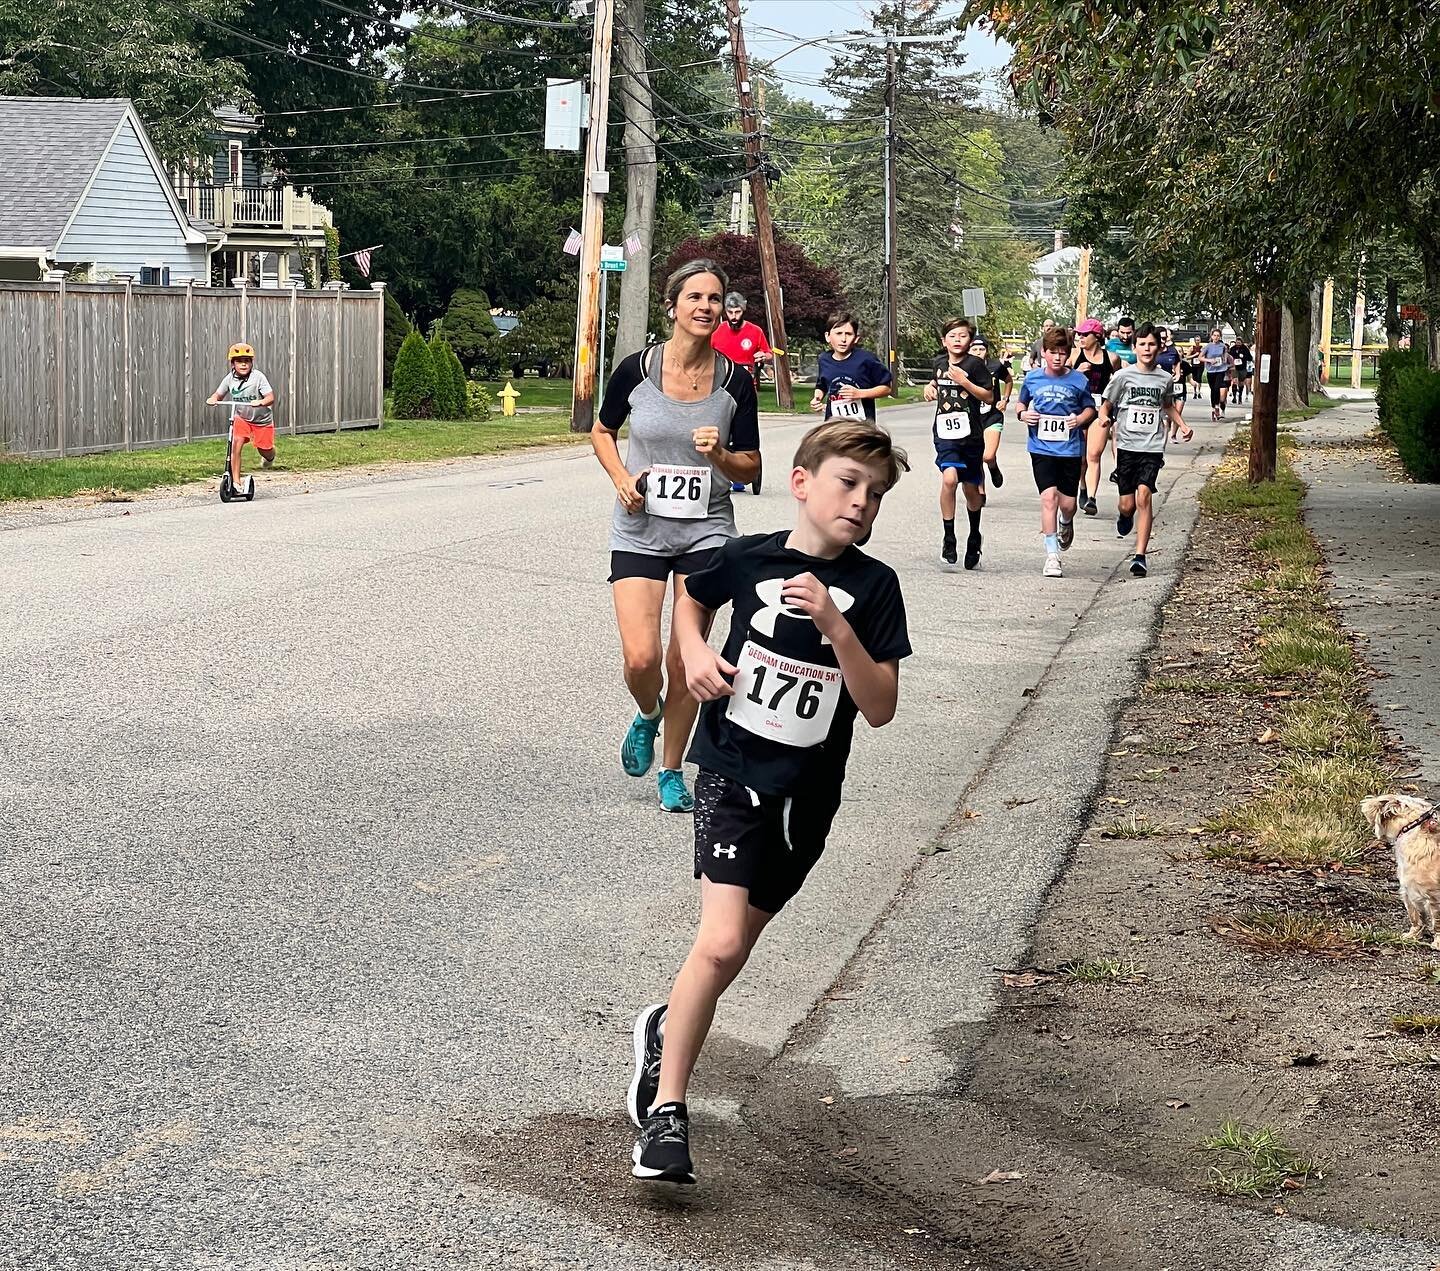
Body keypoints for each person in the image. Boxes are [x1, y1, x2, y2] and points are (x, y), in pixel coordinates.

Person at [627, 420, 911, 1185]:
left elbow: (879, 706)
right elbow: (691, 598)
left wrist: (834, 622)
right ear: (803, 482)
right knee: (717, 943)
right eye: (848, 483)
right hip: (728, 770)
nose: (861, 502)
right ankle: (667, 1114)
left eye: (875, 494)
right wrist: (691, 648)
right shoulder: (750, 556)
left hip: (806, 799)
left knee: (729, 954)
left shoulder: (875, 588)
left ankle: (664, 1025)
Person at [592, 259, 761, 814]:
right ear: (673, 306)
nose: (706, 307)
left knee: (686, 657)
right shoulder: (636, 369)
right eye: (695, 297)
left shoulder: (736, 381)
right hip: (641, 525)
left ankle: (671, 769)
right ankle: (647, 714)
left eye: (715, 299)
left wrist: (720, 455)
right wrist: (621, 479)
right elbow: (602, 431)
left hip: (707, 530)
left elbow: (751, 468)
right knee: (641, 658)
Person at [1098, 322, 1194, 578]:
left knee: (1144, 496)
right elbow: (1106, 405)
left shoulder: (1164, 378)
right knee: (1128, 505)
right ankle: (1124, 515)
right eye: (1142, 344)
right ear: (1136, 347)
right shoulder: (1123, 376)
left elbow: (1168, 406)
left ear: (1159, 346)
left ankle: (1140, 556)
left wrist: (1183, 425)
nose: (1147, 349)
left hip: (1152, 447)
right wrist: (1104, 419)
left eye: (1152, 344)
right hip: (1127, 445)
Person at [1018, 326, 1096, 579]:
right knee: (1048, 498)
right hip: (1041, 447)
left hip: (1069, 449)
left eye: (1063, 353)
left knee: (1068, 504)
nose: (1057, 357)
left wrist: (1079, 420)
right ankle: (1052, 556)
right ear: (1044, 352)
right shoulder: (1032, 379)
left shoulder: (1078, 380)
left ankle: (1066, 521)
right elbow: (1021, 403)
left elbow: (1090, 409)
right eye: (1052, 352)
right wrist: (1023, 414)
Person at [923, 318, 994, 570]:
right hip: (944, 433)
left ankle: (974, 535)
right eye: (952, 336)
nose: (957, 340)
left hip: (971, 436)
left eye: (962, 336)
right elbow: (936, 381)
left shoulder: (975, 365)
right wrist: (929, 389)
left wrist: (965, 382)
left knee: (971, 491)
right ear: (944, 341)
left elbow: (989, 395)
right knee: (949, 479)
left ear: (969, 340)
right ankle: (949, 537)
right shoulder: (939, 363)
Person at [710, 292, 773, 492]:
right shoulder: (716, 332)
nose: (734, 316)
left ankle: (742, 472)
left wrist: (764, 355)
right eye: (730, 312)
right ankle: (723, 470)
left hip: (747, 386)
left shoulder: (755, 332)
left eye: (738, 311)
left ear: (743, 309)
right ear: (725, 312)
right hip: (720, 386)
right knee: (721, 429)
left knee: (743, 430)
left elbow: (769, 353)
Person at [206, 342, 277, 488]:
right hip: (241, 417)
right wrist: (213, 399)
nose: (243, 365)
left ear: (251, 363)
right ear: (233, 364)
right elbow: (218, 394)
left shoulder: (258, 377)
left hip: (261, 420)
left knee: (265, 450)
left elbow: (270, 397)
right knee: (236, 444)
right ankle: (236, 482)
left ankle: (270, 456)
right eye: (239, 361)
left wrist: (261, 402)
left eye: (247, 361)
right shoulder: (229, 379)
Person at [1070, 317, 1120, 517]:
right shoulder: (1074, 355)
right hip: (1078, 410)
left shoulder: (1112, 358)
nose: (1080, 338)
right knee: (1080, 459)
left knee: (1094, 454)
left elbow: (1118, 381)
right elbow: (1063, 380)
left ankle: (1091, 497)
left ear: (1097, 337)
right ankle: (1082, 487)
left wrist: (1112, 405)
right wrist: (1075, 372)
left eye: (1085, 334)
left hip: (1100, 411)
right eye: (1079, 334)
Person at [810, 312, 891, 422]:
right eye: (838, 333)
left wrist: (860, 393)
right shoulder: (824, 359)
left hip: (861, 427)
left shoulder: (866, 359)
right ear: (828, 336)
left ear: (856, 338)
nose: (843, 339)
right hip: (833, 425)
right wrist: (817, 398)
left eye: (848, 334)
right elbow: (822, 385)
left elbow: (886, 389)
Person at [969, 334, 1011, 489]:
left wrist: (1005, 399)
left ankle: (993, 467)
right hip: (972, 417)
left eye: (981, 349)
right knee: (976, 457)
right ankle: (980, 491)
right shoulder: (963, 367)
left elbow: (1008, 381)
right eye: (974, 349)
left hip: (992, 415)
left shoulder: (995, 366)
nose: (978, 352)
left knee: (987, 455)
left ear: (986, 351)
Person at [1202, 326, 1231, 420]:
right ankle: (1213, 408)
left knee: (1217, 387)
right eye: (1214, 335)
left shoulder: (1222, 346)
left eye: (1218, 336)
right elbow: (1200, 357)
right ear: (1211, 336)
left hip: (1220, 369)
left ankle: (1217, 407)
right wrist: (1209, 360)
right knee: (1213, 389)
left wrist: (1224, 359)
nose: (1216, 337)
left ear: (1220, 337)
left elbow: (1225, 355)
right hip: (1211, 370)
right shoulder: (1208, 346)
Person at [1229, 336, 1253, 406]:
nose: (1238, 343)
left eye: (1239, 342)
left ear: (1242, 343)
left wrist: (1243, 357)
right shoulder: (1232, 349)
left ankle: (1240, 396)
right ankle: (1234, 397)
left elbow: (1250, 358)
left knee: (1241, 383)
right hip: (1234, 368)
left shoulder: (1245, 349)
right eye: (1237, 342)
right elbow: (1229, 356)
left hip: (1242, 368)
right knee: (1235, 381)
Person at [1184, 336, 1205, 400]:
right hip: (1194, 365)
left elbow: (1206, 355)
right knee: (1194, 378)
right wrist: (1195, 355)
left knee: (1199, 378)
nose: (1197, 342)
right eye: (1196, 340)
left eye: (1199, 340)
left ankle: (1198, 392)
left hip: (1200, 365)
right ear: (1195, 341)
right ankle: (1195, 392)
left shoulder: (1203, 348)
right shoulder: (1191, 348)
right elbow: (1187, 357)